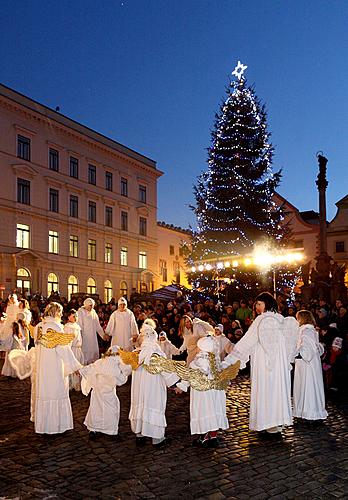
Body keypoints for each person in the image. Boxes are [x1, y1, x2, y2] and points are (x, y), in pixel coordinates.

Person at [222, 292, 296, 439]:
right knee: (276, 391)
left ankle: (269, 425)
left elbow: (247, 342)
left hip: (265, 365)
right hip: (279, 366)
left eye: (259, 304)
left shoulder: (262, 320)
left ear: (268, 304)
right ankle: (276, 426)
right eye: (256, 304)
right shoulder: (282, 320)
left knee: (266, 391)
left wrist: (229, 360)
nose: (256, 307)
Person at [9, 302, 83, 434]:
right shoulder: (56, 327)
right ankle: (56, 425)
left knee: (45, 392)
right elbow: (63, 349)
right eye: (60, 312)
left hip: (43, 366)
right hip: (55, 367)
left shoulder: (39, 326)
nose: (61, 315)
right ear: (56, 313)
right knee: (56, 391)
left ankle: (44, 425)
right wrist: (74, 366)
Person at [129, 320, 181, 447]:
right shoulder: (155, 353)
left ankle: (139, 435)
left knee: (140, 405)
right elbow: (166, 370)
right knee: (153, 406)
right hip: (153, 387)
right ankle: (157, 439)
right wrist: (176, 384)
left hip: (139, 387)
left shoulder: (137, 353)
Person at [176, 335, 230, 447]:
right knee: (214, 410)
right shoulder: (216, 361)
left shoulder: (196, 362)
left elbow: (190, 376)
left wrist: (181, 386)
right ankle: (213, 436)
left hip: (202, 394)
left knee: (203, 411)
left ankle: (204, 437)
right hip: (215, 392)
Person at [79, 345, 132, 439]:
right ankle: (110, 431)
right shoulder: (117, 365)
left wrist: (80, 370)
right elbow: (121, 380)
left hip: (97, 391)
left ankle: (93, 429)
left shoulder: (100, 362)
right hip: (108, 392)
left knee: (96, 409)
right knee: (112, 409)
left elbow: (90, 368)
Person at [293, 310, 327, 422]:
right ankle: (304, 411)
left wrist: (296, 352)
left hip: (307, 365)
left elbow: (308, 351)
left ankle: (310, 413)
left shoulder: (306, 331)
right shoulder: (307, 330)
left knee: (309, 387)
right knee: (306, 387)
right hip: (306, 365)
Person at [78, 298, 107, 364]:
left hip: (93, 338)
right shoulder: (80, 312)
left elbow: (97, 326)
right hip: (84, 337)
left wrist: (103, 335)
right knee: (85, 353)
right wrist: (79, 338)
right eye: (90, 306)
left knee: (93, 354)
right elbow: (79, 326)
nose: (92, 307)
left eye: (92, 306)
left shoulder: (93, 312)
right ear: (86, 305)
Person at [64, 309, 84, 391]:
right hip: (72, 349)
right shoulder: (68, 327)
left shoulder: (77, 326)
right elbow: (68, 341)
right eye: (73, 316)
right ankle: (72, 384)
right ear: (69, 317)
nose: (75, 318)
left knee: (78, 365)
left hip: (78, 349)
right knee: (73, 366)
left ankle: (78, 384)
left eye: (76, 316)